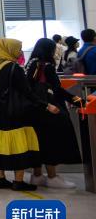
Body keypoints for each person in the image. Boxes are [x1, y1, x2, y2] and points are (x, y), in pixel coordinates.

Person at [0, 38, 58, 190]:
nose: (20, 52)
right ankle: (18, 181)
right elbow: (27, 92)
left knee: (0, 146)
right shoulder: (15, 68)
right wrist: (46, 105)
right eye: (18, 49)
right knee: (19, 146)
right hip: (14, 114)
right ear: (9, 50)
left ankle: (0, 178)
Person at [25, 39, 82, 189]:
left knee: (38, 142)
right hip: (50, 109)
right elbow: (58, 90)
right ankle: (52, 177)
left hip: (34, 109)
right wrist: (79, 101)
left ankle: (37, 176)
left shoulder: (31, 64)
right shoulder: (47, 66)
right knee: (51, 142)